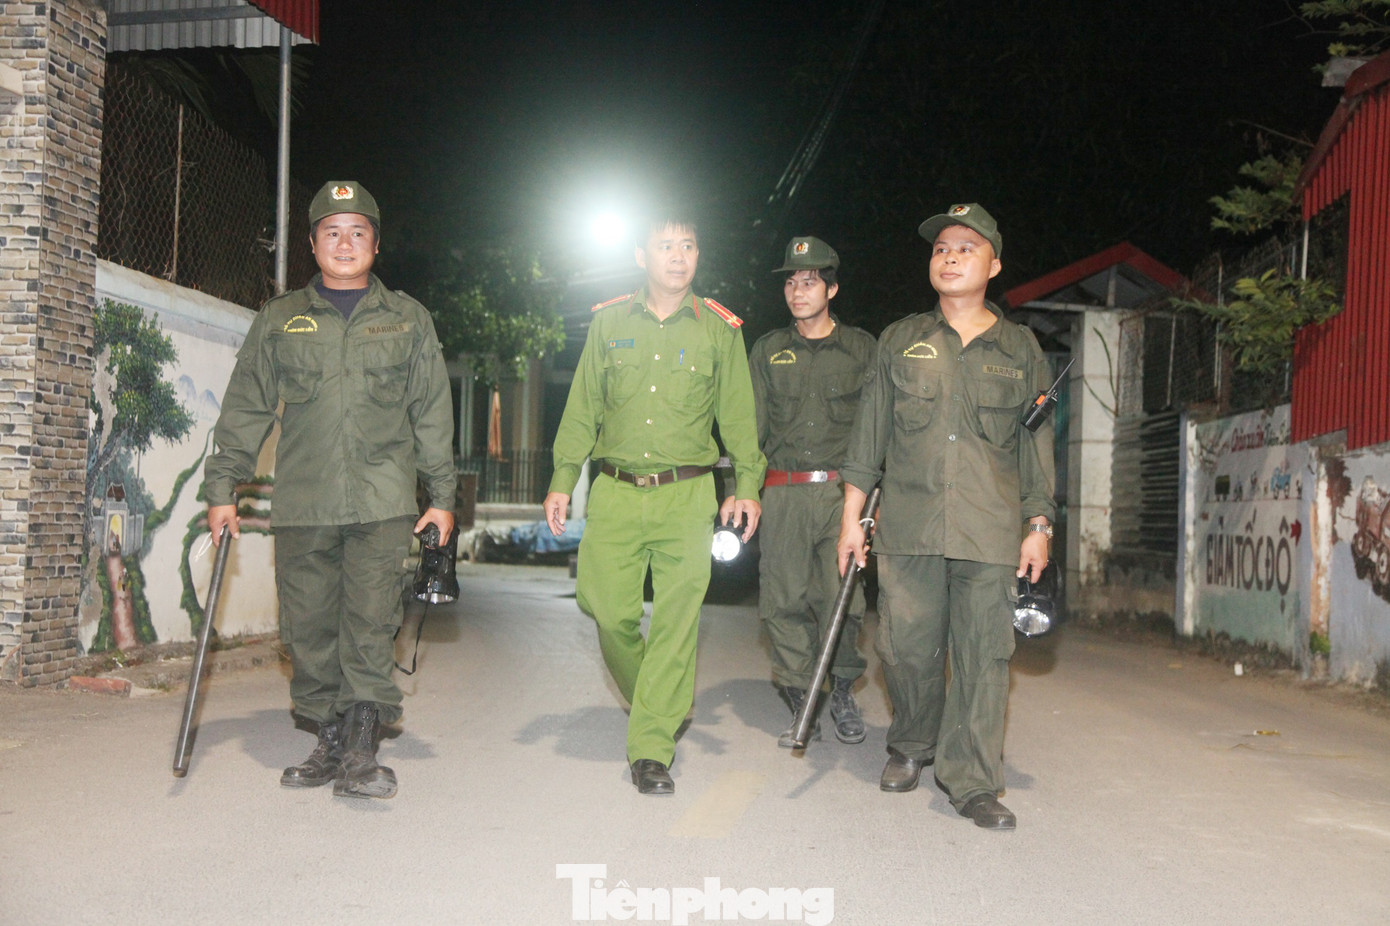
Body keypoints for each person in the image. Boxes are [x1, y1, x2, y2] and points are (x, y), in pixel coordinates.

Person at [203, 181, 456, 800]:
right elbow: (244, 411)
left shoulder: (407, 320)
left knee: (370, 622)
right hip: (305, 503)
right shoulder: (279, 320)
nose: (345, 243)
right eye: (332, 232)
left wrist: (442, 496)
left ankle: (363, 749)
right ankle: (331, 738)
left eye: (358, 232)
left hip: (381, 502)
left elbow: (431, 413)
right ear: (313, 243)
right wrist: (221, 488)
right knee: (308, 630)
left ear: (376, 243)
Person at [838, 203, 1055, 829]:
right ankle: (912, 744)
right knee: (904, 649)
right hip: (909, 527)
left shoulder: (1020, 349)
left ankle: (973, 781)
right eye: (941, 248)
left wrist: (1037, 525)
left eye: (966, 246)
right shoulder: (900, 340)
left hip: (990, 530)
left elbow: (1036, 445)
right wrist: (852, 519)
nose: (950, 255)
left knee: (985, 655)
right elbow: (869, 436)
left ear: (994, 263)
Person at [544, 214, 767, 795]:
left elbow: (739, 417)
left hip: (689, 495)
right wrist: (563, 477)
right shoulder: (609, 322)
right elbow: (583, 407)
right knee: (605, 607)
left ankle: (650, 749)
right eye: (666, 246)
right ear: (642, 255)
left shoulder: (719, 329)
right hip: (616, 492)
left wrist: (746, 486)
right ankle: (661, 700)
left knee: (676, 623)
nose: (678, 256)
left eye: (688, 245)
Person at [749, 236, 876, 747]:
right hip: (782, 493)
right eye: (791, 282)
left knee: (842, 599)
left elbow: (876, 431)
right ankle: (803, 695)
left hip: (842, 496)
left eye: (810, 281)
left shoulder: (863, 350)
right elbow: (750, 430)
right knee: (781, 600)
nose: (798, 291)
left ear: (833, 287)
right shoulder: (767, 350)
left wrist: (869, 501)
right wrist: (744, 490)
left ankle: (840, 686)